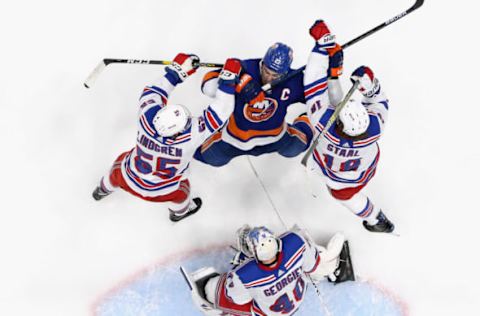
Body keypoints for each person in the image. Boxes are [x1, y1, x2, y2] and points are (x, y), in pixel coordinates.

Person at [92, 53, 242, 222]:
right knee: (182, 192)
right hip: (164, 191)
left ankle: (102, 190)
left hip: (129, 178)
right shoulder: (191, 135)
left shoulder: (146, 118)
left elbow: (153, 92)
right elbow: (222, 109)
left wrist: (176, 72)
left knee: (117, 169)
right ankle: (179, 213)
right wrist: (228, 82)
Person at [304, 20, 395, 233]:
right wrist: (369, 85)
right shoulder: (374, 128)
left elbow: (312, 86)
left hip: (329, 174)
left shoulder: (323, 124)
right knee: (346, 195)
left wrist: (322, 49)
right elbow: (378, 100)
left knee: (343, 194)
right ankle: (377, 221)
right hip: (361, 171)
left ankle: (375, 218)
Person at [193, 40, 343, 167]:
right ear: (262, 63)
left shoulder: (293, 79)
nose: (269, 78)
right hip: (234, 140)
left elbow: (329, 102)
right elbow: (207, 86)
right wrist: (239, 81)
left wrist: (332, 76)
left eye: (275, 75)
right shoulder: (246, 68)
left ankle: (305, 118)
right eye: (266, 71)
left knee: (297, 147)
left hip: (277, 138)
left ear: (285, 72)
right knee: (199, 154)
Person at [183, 225, 354, 316]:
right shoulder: (295, 241)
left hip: (269, 313)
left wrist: (240, 268)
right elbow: (312, 265)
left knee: (212, 290)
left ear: (254, 255)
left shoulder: (244, 274)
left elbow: (240, 300)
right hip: (297, 297)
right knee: (313, 260)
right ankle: (333, 266)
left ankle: (217, 311)